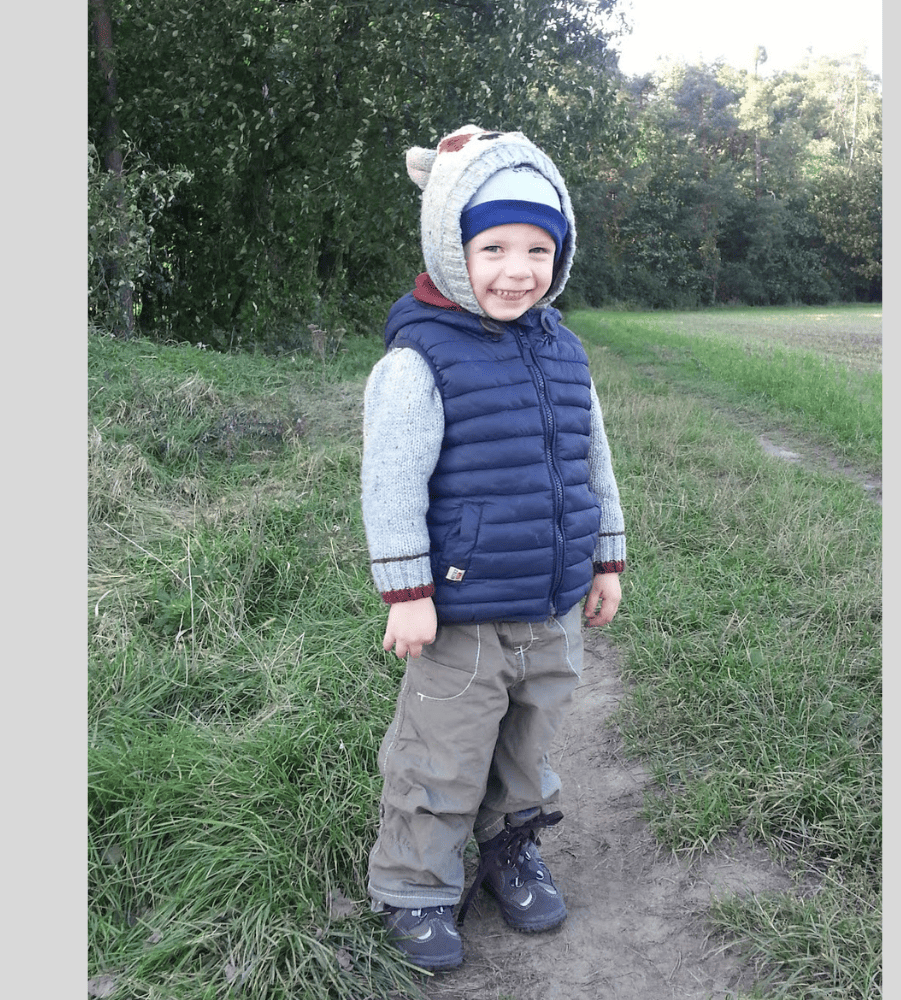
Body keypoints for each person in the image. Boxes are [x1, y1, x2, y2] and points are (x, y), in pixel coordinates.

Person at [360, 124, 627, 972]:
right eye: (494, 248)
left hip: (551, 603)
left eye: (538, 250)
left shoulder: (564, 350)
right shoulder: (420, 359)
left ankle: (512, 848)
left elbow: (592, 458)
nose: (518, 270)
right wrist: (408, 591)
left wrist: (606, 558)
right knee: (440, 753)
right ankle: (414, 887)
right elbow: (392, 480)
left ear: (561, 254)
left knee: (527, 744)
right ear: (453, 247)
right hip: (462, 612)